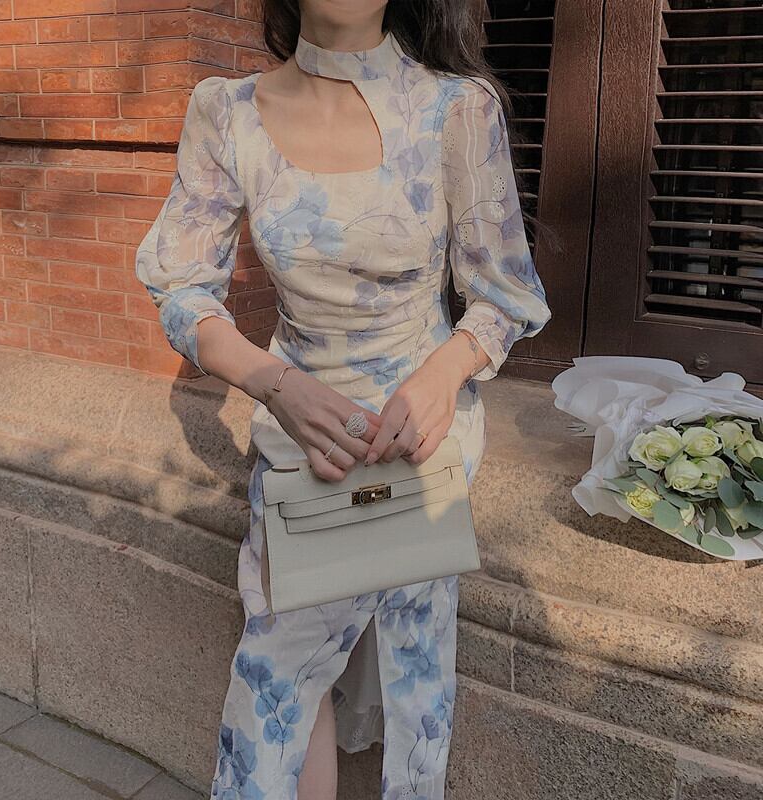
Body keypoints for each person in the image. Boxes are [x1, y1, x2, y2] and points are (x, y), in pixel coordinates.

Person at [135, 1, 552, 798]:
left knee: (412, 675)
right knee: (276, 679)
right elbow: (182, 290)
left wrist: (444, 372)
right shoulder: (227, 112)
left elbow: (505, 296)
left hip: (419, 451)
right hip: (298, 449)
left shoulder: (457, 110)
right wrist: (273, 383)